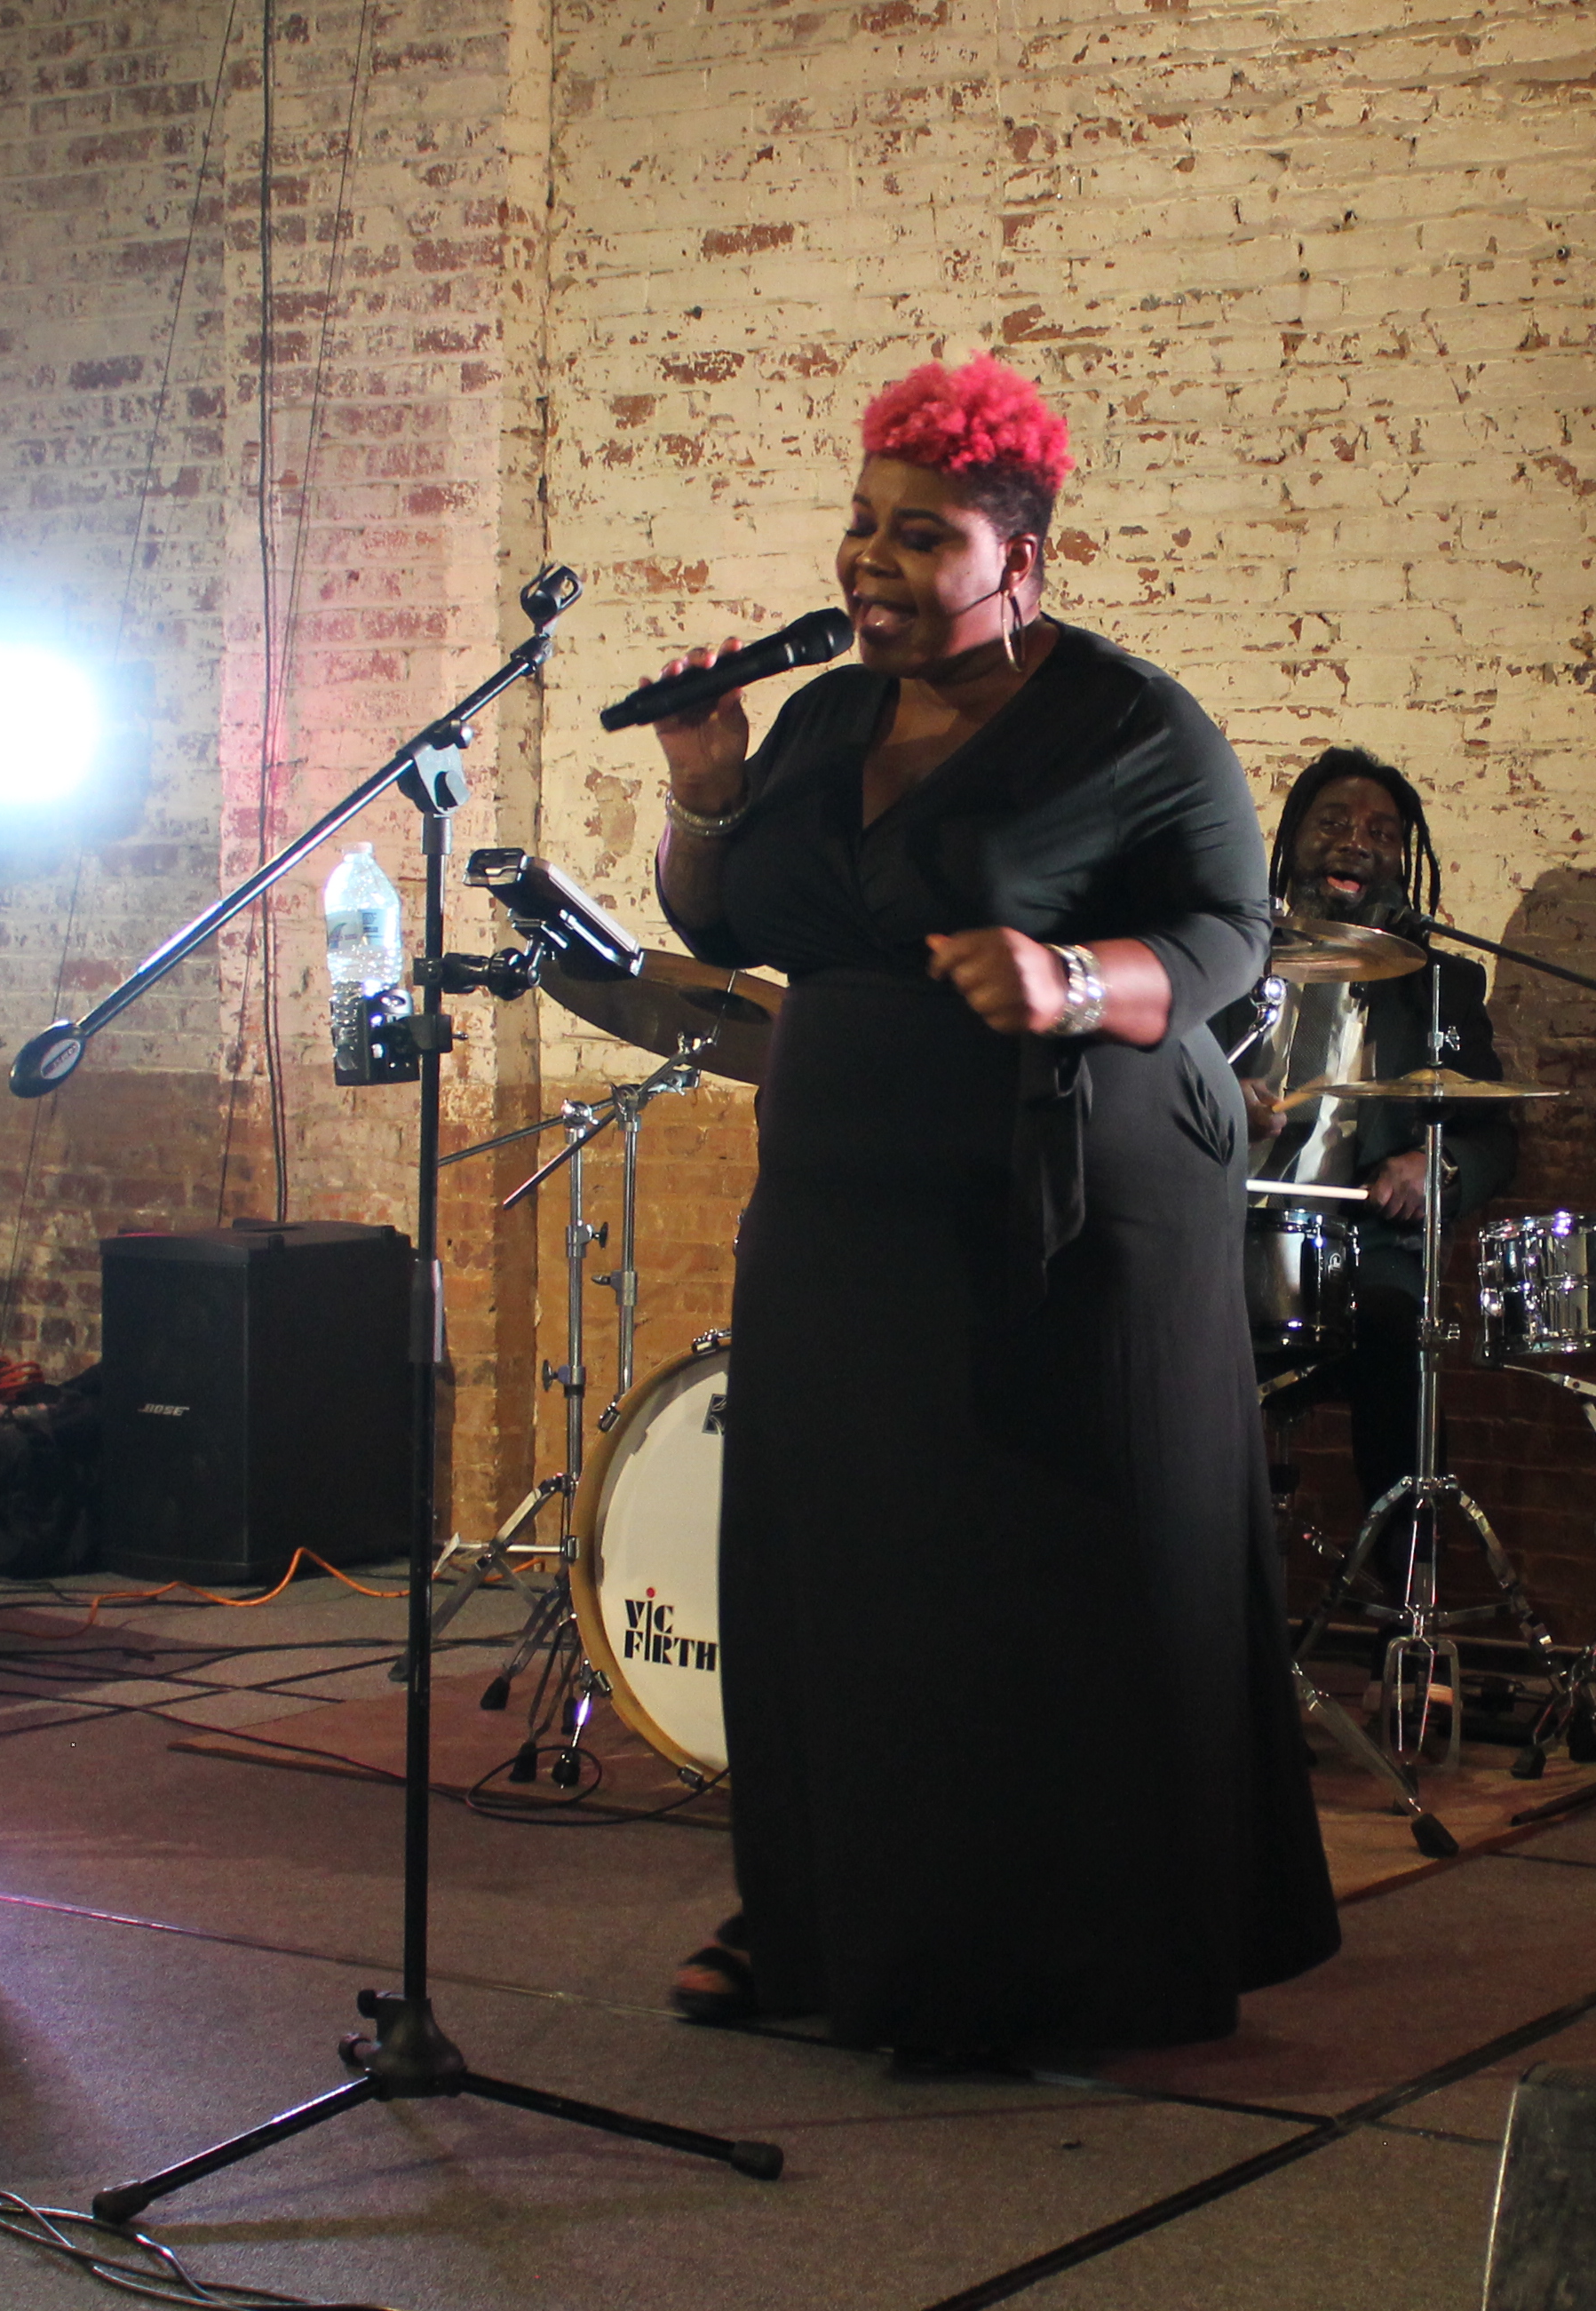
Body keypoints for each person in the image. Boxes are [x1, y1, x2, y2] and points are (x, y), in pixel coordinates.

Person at [643, 353, 1341, 2066]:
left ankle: (1057, 1949)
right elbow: (727, 919)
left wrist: (1071, 977)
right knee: (836, 1561)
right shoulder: (818, 720)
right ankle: (819, 1919)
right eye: (859, 525)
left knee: (1025, 1576)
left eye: (919, 534)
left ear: (1018, 557)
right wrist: (701, 782)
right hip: (839, 1201)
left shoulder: (1126, 723)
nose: (868, 562)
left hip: (1070, 1209)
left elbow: (1227, 938)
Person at [1239, 750, 1517, 1525]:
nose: (1355, 841)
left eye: (1380, 832)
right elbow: (1145, 1075)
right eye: (1332, 822)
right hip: (1216, 1235)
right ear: (1293, 838)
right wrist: (1213, 1100)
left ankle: (1407, 1605)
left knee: (1404, 1351)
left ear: (1403, 857)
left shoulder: (1440, 987)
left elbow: (1495, 1134)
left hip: (1360, 1256)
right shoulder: (1223, 962)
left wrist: (1439, 1165)